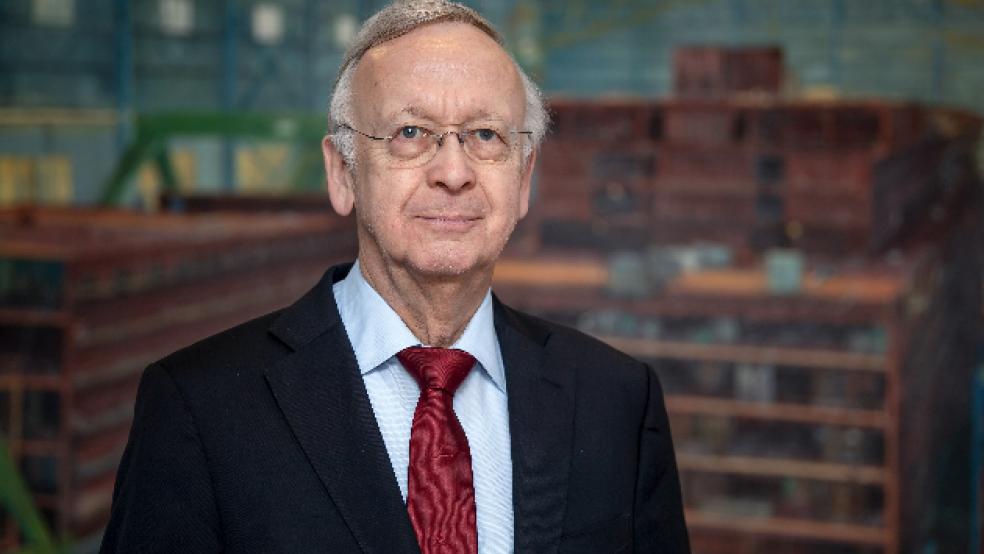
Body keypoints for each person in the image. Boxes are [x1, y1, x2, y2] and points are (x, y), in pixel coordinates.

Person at [101, 1, 690, 552]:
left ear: (524, 177)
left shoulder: (617, 402)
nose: (453, 172)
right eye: (411, 133)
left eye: (486, 135)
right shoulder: (201, 408)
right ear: (342, 173)